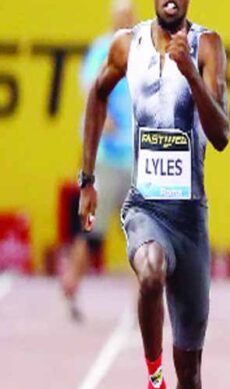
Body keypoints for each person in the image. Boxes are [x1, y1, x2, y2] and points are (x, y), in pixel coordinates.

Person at [77, 0, 230, 389]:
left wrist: (190, 73)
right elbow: (96, 97)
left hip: (190, 217)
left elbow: (221, 135)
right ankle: (154, 383)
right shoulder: (127, 46)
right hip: (145, 207)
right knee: (149, 271)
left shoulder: (207, 46)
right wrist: (87, 179)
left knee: (192, 368)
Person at [61, 0, 136, 321]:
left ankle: (143, 305)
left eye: (130, 15)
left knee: (141, 235)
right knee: (92, 232)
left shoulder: (142, 48)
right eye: (122, 16)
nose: (127, 20)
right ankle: (71, 284)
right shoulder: (102, 50)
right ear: (113, 19)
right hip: (106, 157)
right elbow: (90, 89)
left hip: (135, 158)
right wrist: (104, 120)